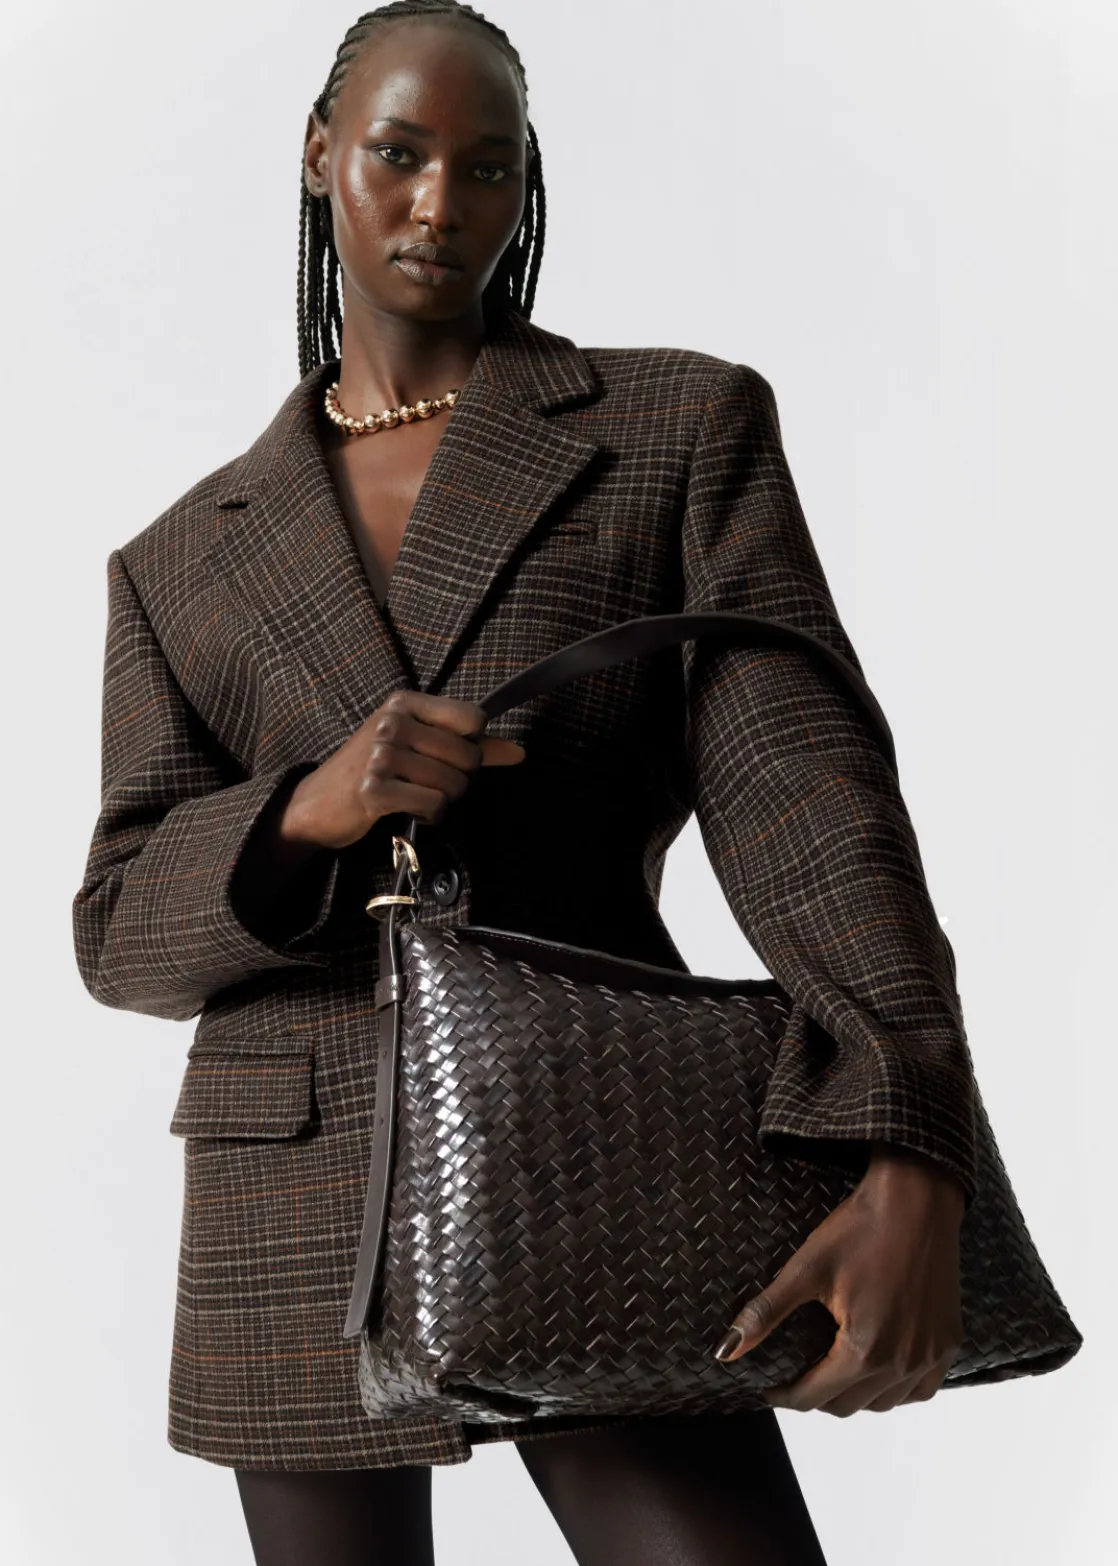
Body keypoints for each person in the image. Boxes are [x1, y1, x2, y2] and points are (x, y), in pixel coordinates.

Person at [72, 4, 977, 1562]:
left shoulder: (672, 429)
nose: (440, 202)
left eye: (487, 167)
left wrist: (908, 1130)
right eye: (398, 153)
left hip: (593, 1127)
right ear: (319, 156)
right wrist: (306, 806)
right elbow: (117, 931)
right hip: (290, 1193)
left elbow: (810, 808)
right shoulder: (178, 558)